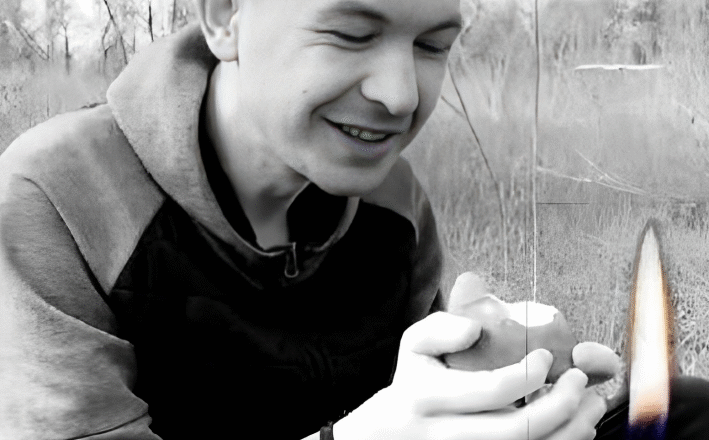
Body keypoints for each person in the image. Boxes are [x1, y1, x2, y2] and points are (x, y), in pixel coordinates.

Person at [0, 0, 705, 439]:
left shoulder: (391, 198)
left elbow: (420, 401)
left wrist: (513, 399)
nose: (400, 97)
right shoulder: (55, 195)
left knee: (685, 408)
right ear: (224, 16)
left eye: (431, 45)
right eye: (350, 33)